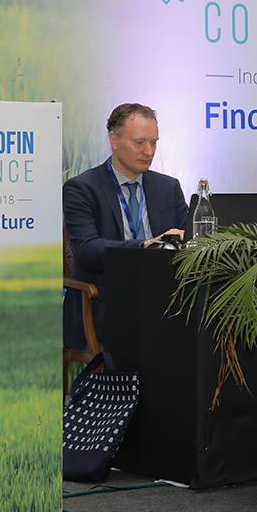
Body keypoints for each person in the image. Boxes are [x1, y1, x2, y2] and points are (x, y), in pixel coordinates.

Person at [62, 103, 189, 339]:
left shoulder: (168, 187)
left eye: (154, 143)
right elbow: (87, 250)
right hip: (108, 300)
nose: (149, 151)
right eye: (139, 142)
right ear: (114, 139)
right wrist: (146, 245)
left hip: (164, 297)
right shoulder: (81, 189)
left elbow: (189, 239)